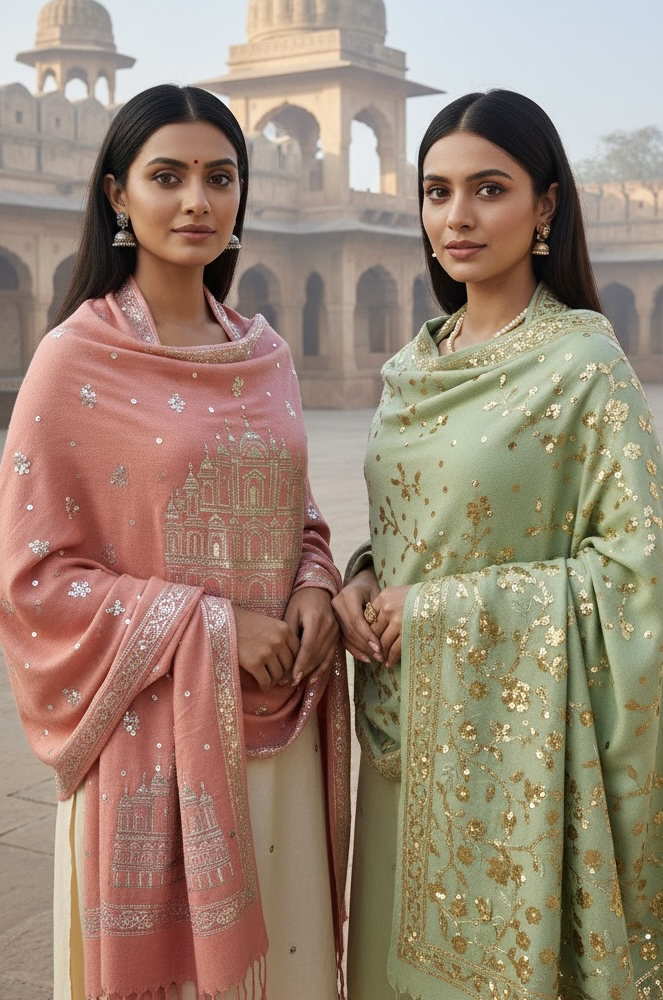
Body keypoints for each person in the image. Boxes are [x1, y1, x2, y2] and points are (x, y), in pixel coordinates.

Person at [0, 84, 350, 1000]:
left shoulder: (262, 354)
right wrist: (217, 624)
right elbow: (33, 578)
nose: (197, 200)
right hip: (155, 736)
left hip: (283, 735)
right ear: (118, 194)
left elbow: (297, 513)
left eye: (219, 177)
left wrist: (313, 584)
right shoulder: (76, 359)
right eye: (168, 176)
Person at [332, 89, 663, 1000]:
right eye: (435, 193)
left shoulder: (581, 364)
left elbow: (640, 577)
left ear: (545, 205)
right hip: (403, 746)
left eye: (488, 189)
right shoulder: (410, 367)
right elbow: (414, 529)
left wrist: (439, 611)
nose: (456, 217)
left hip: (514, 752)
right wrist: (363, 579)